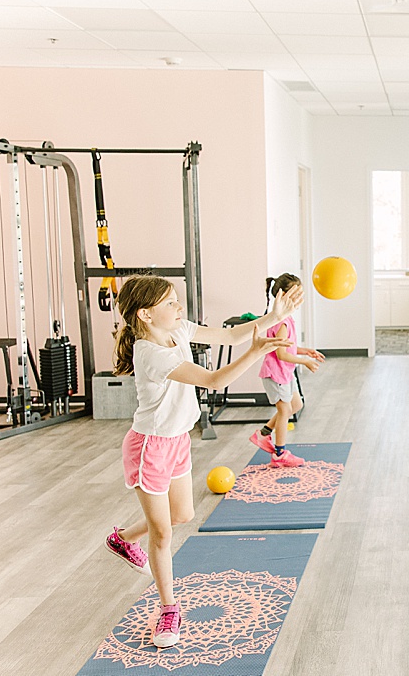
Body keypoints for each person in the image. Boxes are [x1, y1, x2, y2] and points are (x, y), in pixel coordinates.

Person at [103, 274, 301, 648]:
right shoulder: (151, 354)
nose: (179, 307)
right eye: (170, 303)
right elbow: (212, 380)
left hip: (177, 441)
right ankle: (168, 609)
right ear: (146, 314)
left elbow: (229, 336)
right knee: (163, 533)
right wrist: (256, 352)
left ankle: (122, 538)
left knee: (182, 516)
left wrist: (273, 316)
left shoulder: (177, 331)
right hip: (150, 448)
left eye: (177, 300)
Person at [249, 273, 326, 467]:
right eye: (295, 294)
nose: (300, 298)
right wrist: (304, 361)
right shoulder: (281, 322)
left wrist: (305, 351)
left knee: (296, 405)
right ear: (283, 296)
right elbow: (281, 354)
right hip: (276, 373)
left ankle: (263, 434)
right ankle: (279, 455)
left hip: (285, 373)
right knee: (284, 411)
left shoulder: (288, 319)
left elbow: (286, 348)